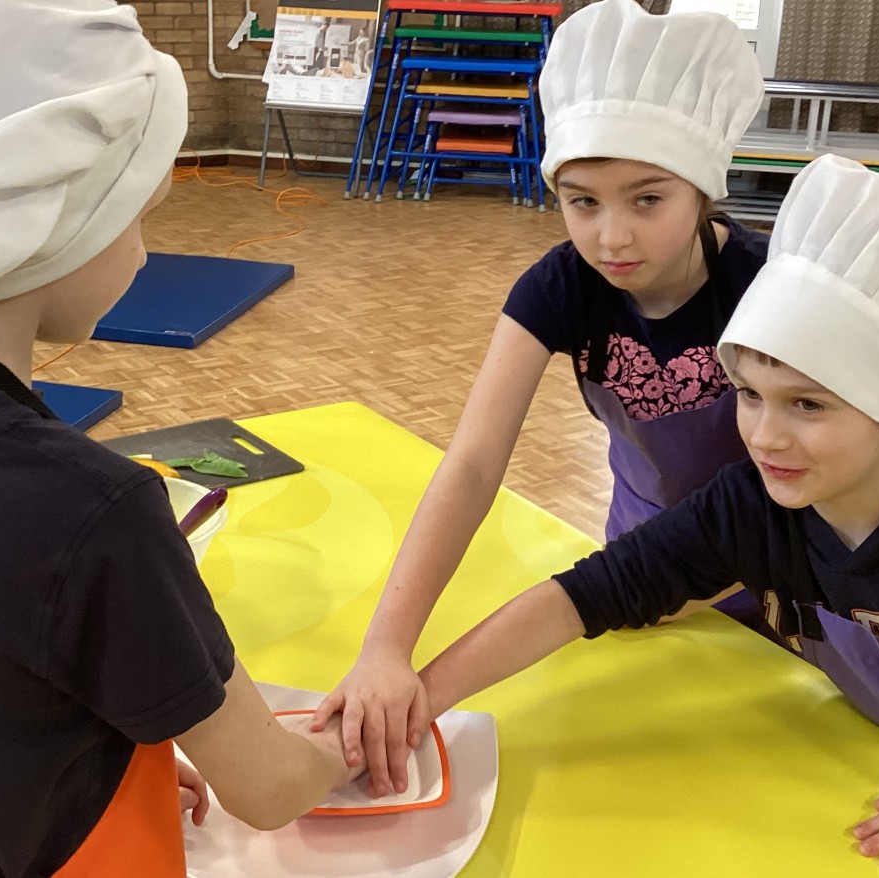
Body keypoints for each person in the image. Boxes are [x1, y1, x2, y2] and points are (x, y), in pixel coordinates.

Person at [411, 154, 879, 872]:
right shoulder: (756, 504)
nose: (765, 435)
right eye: (748, 394)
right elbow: (589, 592)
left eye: (808, 405)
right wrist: (418, 699)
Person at [0, 2, 364, 876]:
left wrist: (107, 761)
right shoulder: (92, 508)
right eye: (137, 215)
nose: (147, 254)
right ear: (53, 209)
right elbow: (268, 791)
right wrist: (349, 743)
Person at [314, 0, 770, 798]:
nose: (612, 237)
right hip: (641, 570)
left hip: (776, 585)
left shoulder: (766, 292)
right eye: (583, 201)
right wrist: (386, 647)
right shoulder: (560, 287)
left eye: (647, 199)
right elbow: (472, 464)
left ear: (704, 190)